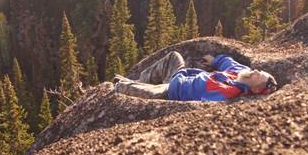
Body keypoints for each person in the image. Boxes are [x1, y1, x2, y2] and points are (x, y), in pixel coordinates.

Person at [113, 51, 277, 101]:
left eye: (259, 76)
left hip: (172, 91)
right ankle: (140, 80)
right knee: (173, 56)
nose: (255, 71)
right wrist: (214, 60)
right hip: (180, 74)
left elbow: (205, 101)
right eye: (258, 71)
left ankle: (126, 85)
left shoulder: (230, 93)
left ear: (256, 89)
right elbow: (228, 62)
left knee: (122, 88)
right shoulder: (241, 73)